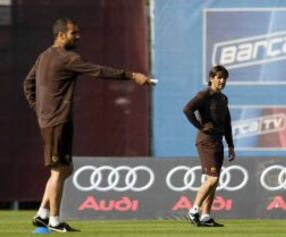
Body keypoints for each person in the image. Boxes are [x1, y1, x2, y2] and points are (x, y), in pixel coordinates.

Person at [23, 18, 153, 232]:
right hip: (56, 122)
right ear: (61, 35)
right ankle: (54, 221)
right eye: (73, 33)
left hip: (55, 120)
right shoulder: (68, 58)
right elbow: (98, 71)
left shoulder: (43, 56)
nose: (78, 36)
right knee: (58, 172)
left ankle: (42, 214)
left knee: (65, 169)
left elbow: (27, 84)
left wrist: (39, 110)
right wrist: (131, 75)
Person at [183, 65, 236, 227]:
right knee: (212, 179)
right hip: (206, 140)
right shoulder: (204, 94)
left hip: (218, 141)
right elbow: (187, 110)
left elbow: (227, 123)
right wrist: (200, 126)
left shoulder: (223, 98)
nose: (222, 81)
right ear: (211, 78)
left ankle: (206, 216)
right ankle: (193, 211)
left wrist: (231, 145)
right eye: (219, 77)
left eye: (224, 78)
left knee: (214, 180)